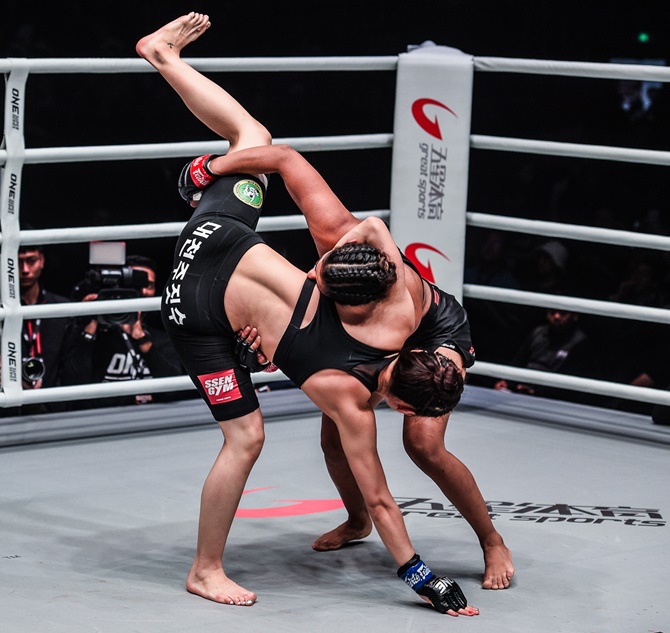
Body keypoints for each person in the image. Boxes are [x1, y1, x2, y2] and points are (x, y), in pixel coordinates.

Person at [136, 13, 478, 617]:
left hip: (212, 239)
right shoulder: (352, 404)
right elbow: (381, 501)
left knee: (252, 136)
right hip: (191, 314)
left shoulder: (387, 308)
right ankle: (204, 570)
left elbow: (372, 228)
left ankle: (164, 58)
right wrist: (426, 581)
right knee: (244, 437)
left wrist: (315, 271)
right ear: (399, 405)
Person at [60, 254, 187, 407]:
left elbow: (174, 391)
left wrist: (143, 340)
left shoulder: (163, 338)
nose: (142, 291)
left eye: (148, 285)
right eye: (135, 283)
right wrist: (90, 322)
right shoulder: (94, 336)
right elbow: (73, 387)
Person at [493, 308, 603, 405]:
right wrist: (507, 382)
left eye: (562, 313)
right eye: (552, 312)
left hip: (551, 400)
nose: (556, 316)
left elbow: (569, 385)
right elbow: (518, 362)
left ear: (575, 316)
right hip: (521, 391)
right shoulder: (537, 333)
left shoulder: (580, 343)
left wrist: (535, 392)